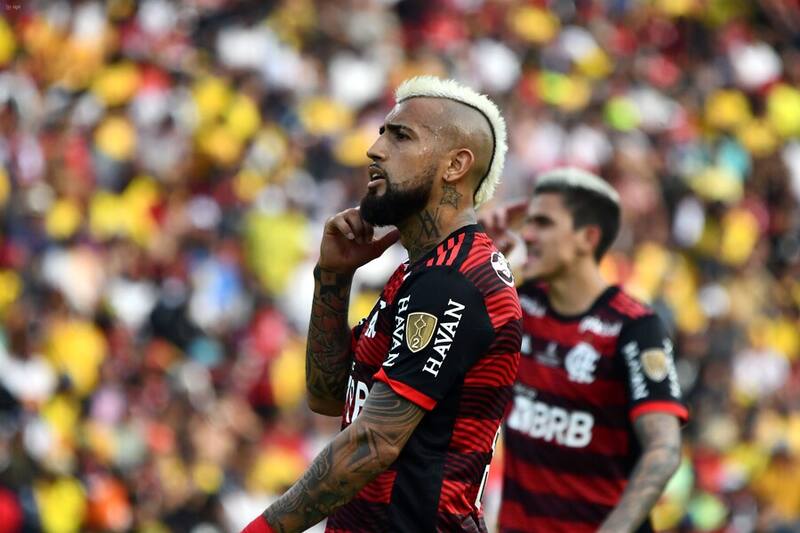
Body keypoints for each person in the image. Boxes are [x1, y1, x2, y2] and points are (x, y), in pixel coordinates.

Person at [241, 76, 523, 533]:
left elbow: (374, 441)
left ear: (455, 165)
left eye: (400, 135)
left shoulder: (452, 281)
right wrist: (333, 277)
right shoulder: (418, 272)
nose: (374, 150)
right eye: (380, 132)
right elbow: (329, 396)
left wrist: (262, 530)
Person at [482, 168, 688, 533]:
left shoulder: (634, 327)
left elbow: (664, 449)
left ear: (587, 238)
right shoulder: (517, 305)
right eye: (528, 223)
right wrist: (484, 252)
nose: (527, 235)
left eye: (543, 223)